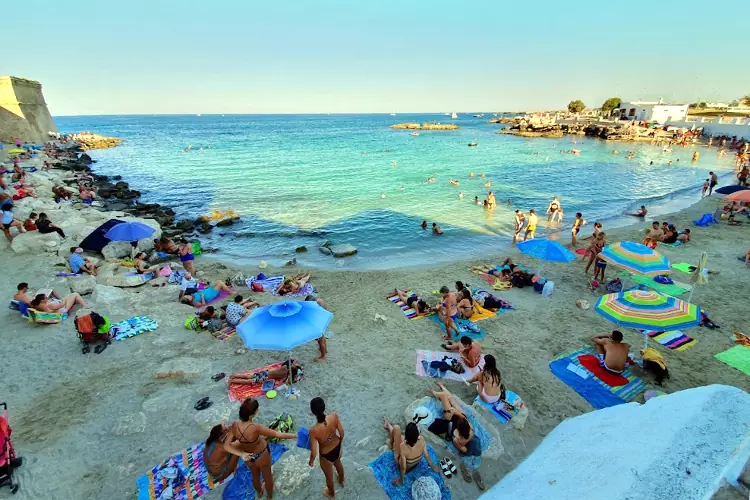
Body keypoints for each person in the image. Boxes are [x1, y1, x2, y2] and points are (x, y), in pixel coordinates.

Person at [225, 398, 297, 500]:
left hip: (249, 458)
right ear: (254, 412)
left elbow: (226, 446)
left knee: (255, 477)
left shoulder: (234, 425)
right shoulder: (255, 428)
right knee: (268, 478)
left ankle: (259, 492)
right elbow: (278, 434)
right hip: (262, 456)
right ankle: (269, 497)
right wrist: (294, 435)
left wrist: (241, 454)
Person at [427, 384, 483, 487]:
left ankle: (436, 393)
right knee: (452, 401)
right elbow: (463, 418)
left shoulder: (458, 440)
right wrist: (455, 412)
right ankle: (442, 389)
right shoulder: (470, 429)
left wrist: (452, 413)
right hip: (458, 423)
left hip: (450, 423)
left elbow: (462, 449)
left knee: (445, 398)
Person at [382, 419, 439, 486]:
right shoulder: (422, 439)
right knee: (399, 436)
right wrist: (432, 466)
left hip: (405, 465)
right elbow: (426, 455)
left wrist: (401, 481)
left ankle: (390, 441)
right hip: (415, 463)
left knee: (396, 428)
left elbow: (403, 467)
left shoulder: (403, 446)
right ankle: (388, 426)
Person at [309, 397, 345, 498]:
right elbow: (342, 433)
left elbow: (314, 452)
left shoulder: (313, 431)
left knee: (329, 478)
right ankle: (342, 481)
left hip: (326, 455)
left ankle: (331, 494)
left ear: (313, 412)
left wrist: (311, 461)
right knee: (338, 464)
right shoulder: (334, 416)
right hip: (337, 447)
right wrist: (340, 444)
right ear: (324, 407)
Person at [306, 295, 330, 360]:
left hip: (320, 322)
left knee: (320, 340)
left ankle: (323, 356)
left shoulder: (317, 305)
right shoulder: (319, 300)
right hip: (325, 319)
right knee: (322, 337)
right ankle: (325, 350)